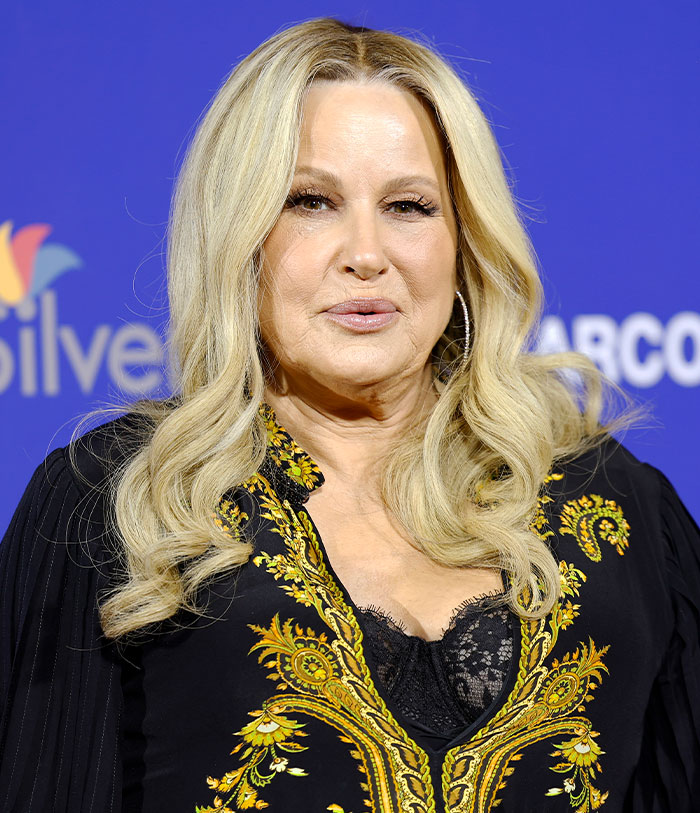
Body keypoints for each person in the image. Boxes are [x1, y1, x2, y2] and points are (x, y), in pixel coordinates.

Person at [0, 17, 698, 813]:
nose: (366, 253)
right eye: (311, 201)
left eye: (409, 206)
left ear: (464, 242)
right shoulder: (118, 505)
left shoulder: (619, 511)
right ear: (239, 236)